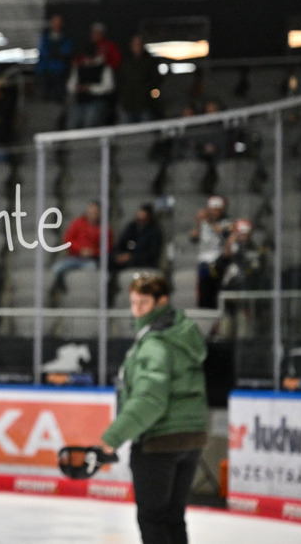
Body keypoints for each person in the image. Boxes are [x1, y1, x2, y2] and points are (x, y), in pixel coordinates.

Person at [101, 273, 208, 544]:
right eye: (134, 302)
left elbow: (150, 399)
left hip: (159, 442)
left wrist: (113, 437)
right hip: (191, 437)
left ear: (162, 301)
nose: (137, 310)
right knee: (173, 517)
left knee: (153, 520)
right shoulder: (180, 334)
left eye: (144, 302)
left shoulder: (156, 344)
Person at [51, 201, 112, 288]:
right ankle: (61, 289)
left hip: (92, 260)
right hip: (74, 257)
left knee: (91, 271)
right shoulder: (77, 223)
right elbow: (68, 240)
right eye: (91, 210)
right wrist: (80, 250)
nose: (92, 213)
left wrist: (93, 252)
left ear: (100, 213)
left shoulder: (105, 228)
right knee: (57, 268)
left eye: (95, 212)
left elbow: (107, 248)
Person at [189, 195, 232, 308]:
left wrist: (211, 221)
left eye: (217, 210)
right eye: (212, 209)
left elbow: (225, 236)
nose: (214, 212)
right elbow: (194, 238)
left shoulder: (226, 223)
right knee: (203, 294)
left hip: (218, 261)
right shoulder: (203, 223)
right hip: (204, 261)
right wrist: (198, 221)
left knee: (216, 292)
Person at [66, 42, 115, 130]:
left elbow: (109, 87)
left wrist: (90, 87)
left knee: (89, 122)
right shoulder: (79, 68)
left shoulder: (104, 68)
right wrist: (78, 88)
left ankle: (88, 143)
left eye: (91, 56)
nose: (88, 59)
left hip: (97, 102)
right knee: (72, 123)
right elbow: (70, 86)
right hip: (80, 102)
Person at [115, 34, 160, 124]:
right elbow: (120, 80)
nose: (137, 47)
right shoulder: (125, 61)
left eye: (139, 44)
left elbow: (156, 80)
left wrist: (150, 94)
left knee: (145, 130)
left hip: (145, 104)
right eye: (135, 44)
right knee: (129, 132)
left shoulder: (150, 61)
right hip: (128, 104)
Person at [110, 204, 163, 272]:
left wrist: (132, 257)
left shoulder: (155, 231)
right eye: (140, 214)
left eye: (143, 215)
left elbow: (152, 253)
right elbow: (122, 242)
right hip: (127, 259)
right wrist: (120, 255)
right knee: (111, 261)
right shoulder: (132, 226)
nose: (140, 217)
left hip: (144, 262)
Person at [34, 14, 74, 102]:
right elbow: (42, 51)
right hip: (44, 71)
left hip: (59, 72)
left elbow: (65, 52)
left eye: (58, 22)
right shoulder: (43, 37)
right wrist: (54, 53)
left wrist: (54, 53)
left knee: (57, 98)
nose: (56, 24)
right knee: (43, 97)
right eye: (54, 22)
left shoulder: (66, 39)